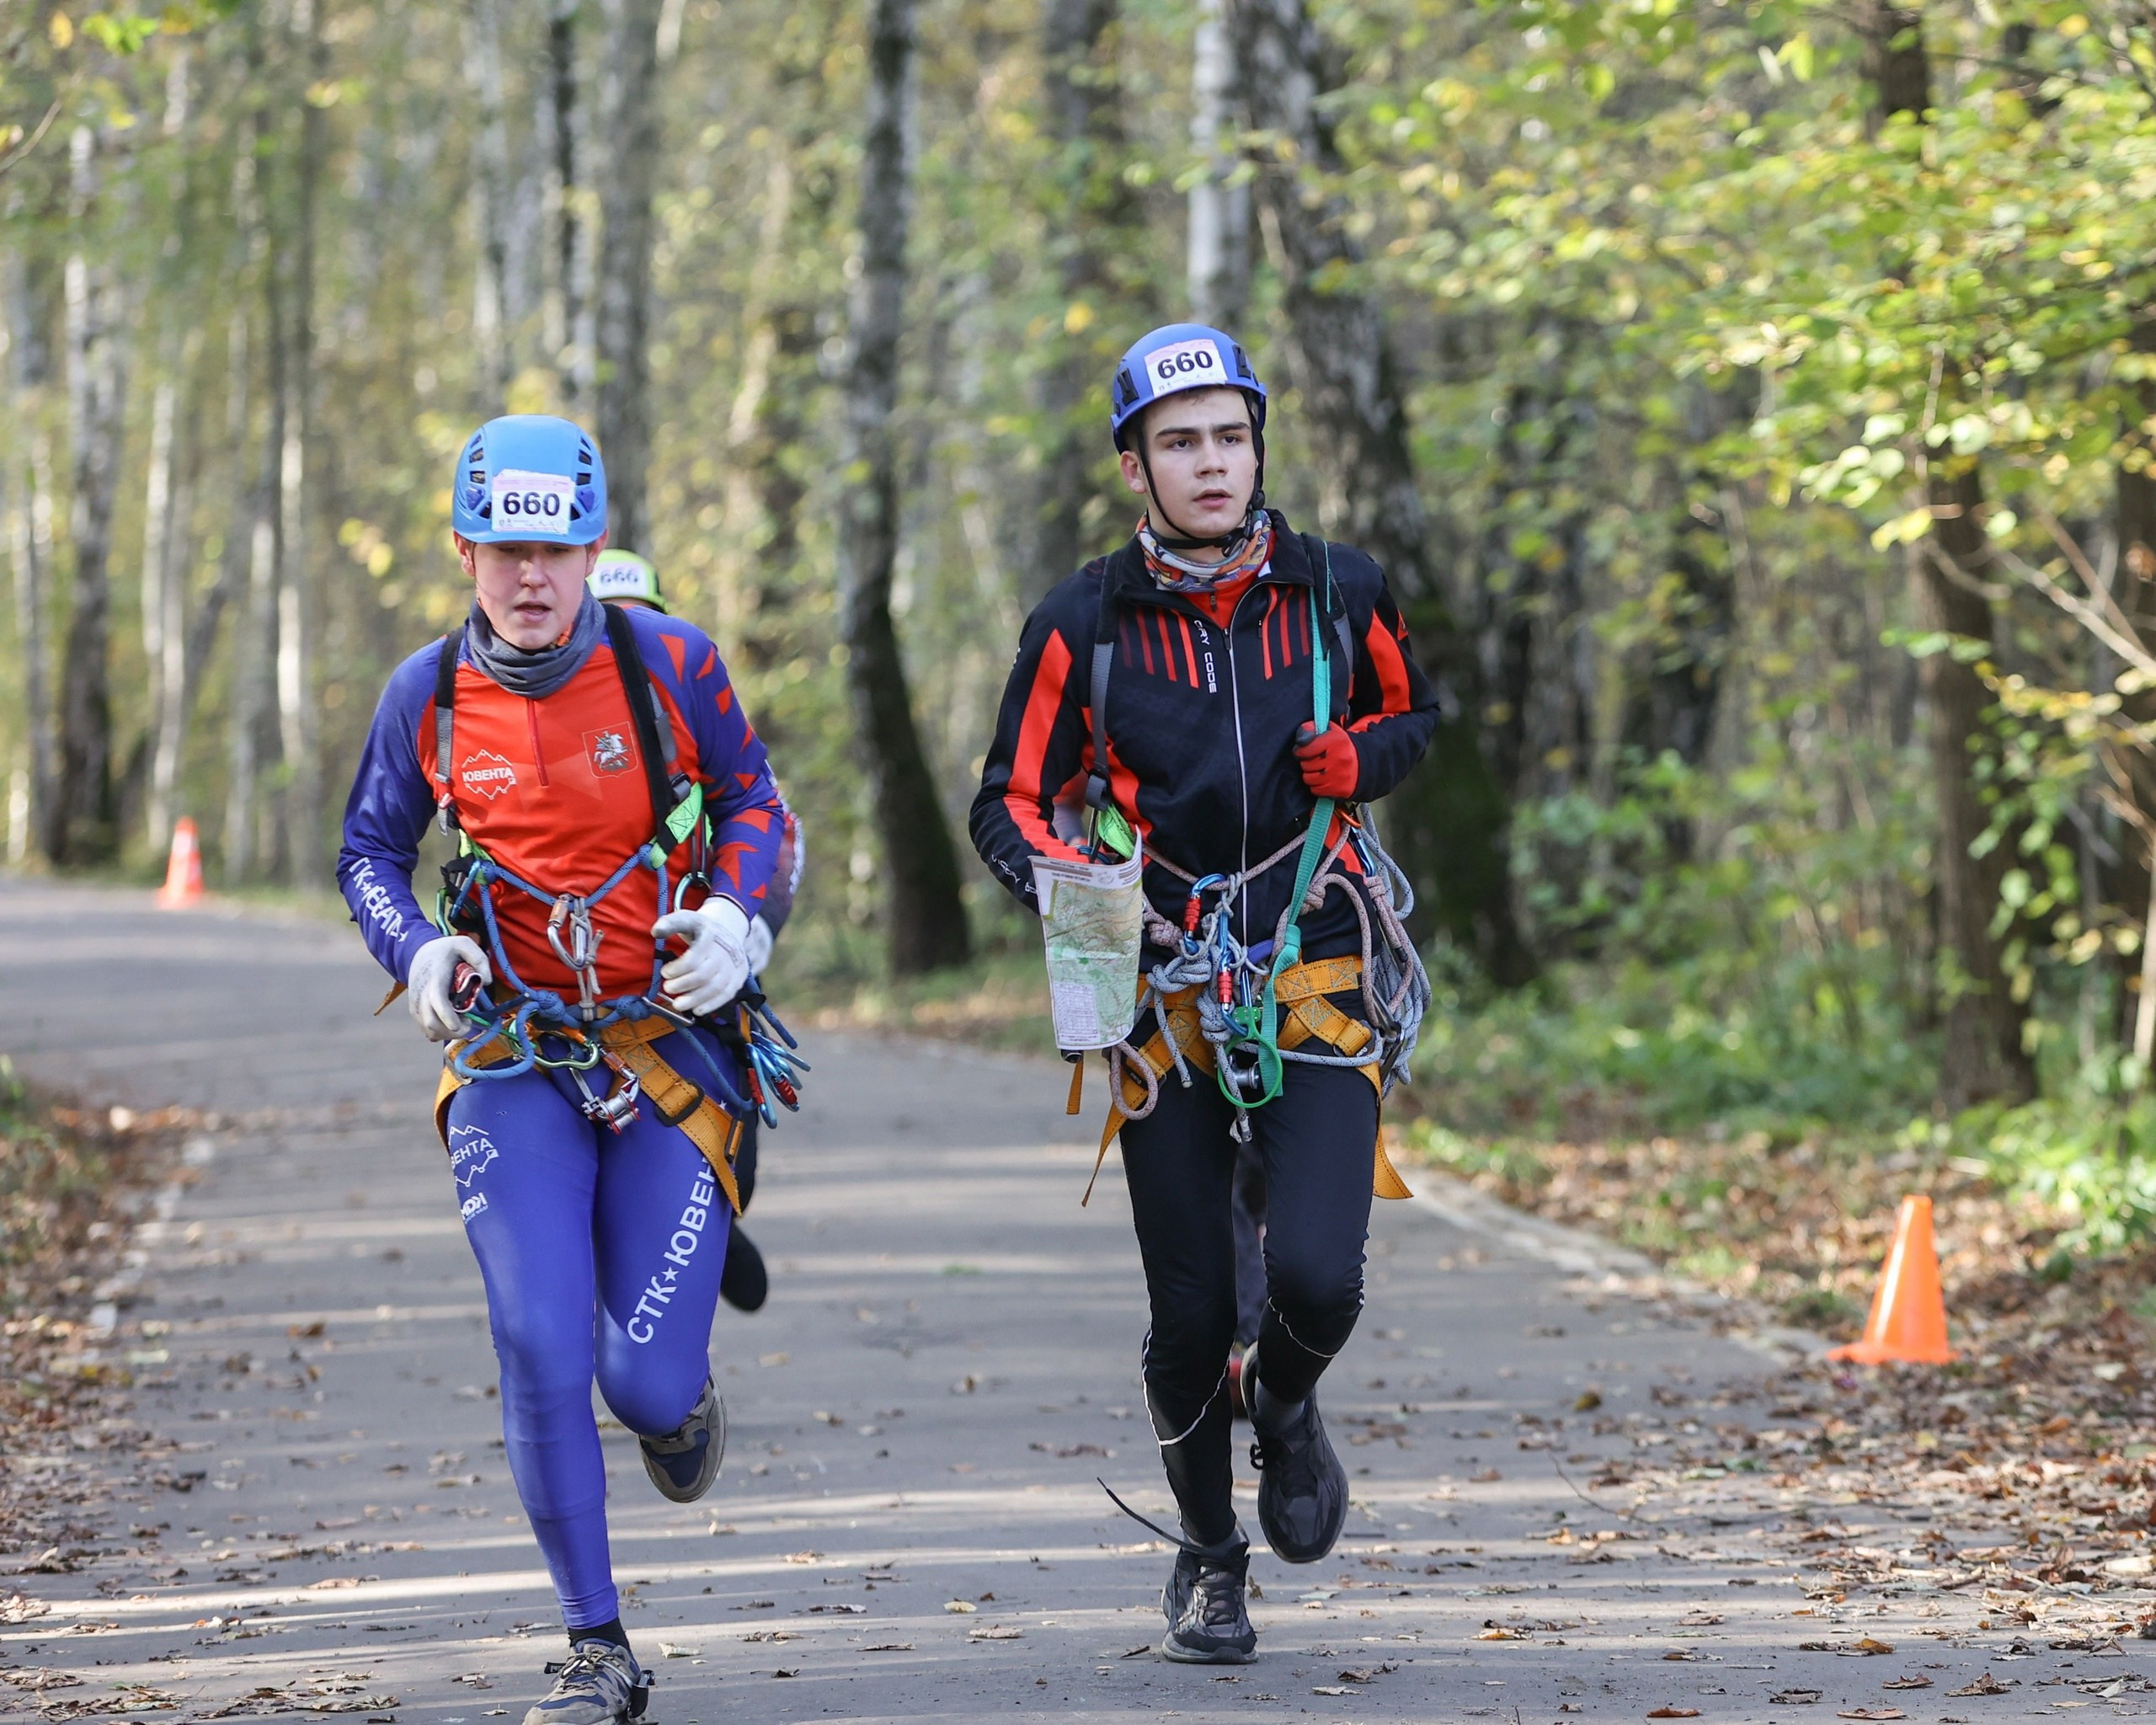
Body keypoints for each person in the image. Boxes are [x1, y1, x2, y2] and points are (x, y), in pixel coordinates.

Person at [970, 324, 1437, 1664]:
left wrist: (1362, 758)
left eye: (1231, 435)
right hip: (1156, 996)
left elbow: (1416, 716)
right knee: (1185, 1314)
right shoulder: (1083, 622)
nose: (1212, 462)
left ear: (1259, 447)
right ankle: (1209, 1554)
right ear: (1137, 468)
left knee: (1317, 1281)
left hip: (1319, 967)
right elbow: (1005, 799)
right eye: (1181, 442)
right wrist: (1080, 891)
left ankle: (1283, 1403)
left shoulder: (1345, 590)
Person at [338, 414, 792, 1725]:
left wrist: (736, 921)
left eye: (555, 548)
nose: (530, 576)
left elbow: (757, 803)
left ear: (593, 546)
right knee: (538, 1336)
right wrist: (418, 946)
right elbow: (371, 847)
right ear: (467, 550)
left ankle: (681, 1397)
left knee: (641, 1382)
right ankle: (599, 1651)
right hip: (511, 1051)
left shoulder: (671, 665)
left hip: (665, 1044)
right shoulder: (425, 692)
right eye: (503, 550)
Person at [584, 549, 808, 1316]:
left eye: (644, 614)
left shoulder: (688, 696)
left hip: (700, 983)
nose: (630, 630)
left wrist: (747, 932)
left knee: (727, 1157)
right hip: (579, 1002)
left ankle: (715, 1223)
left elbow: (776, 825)